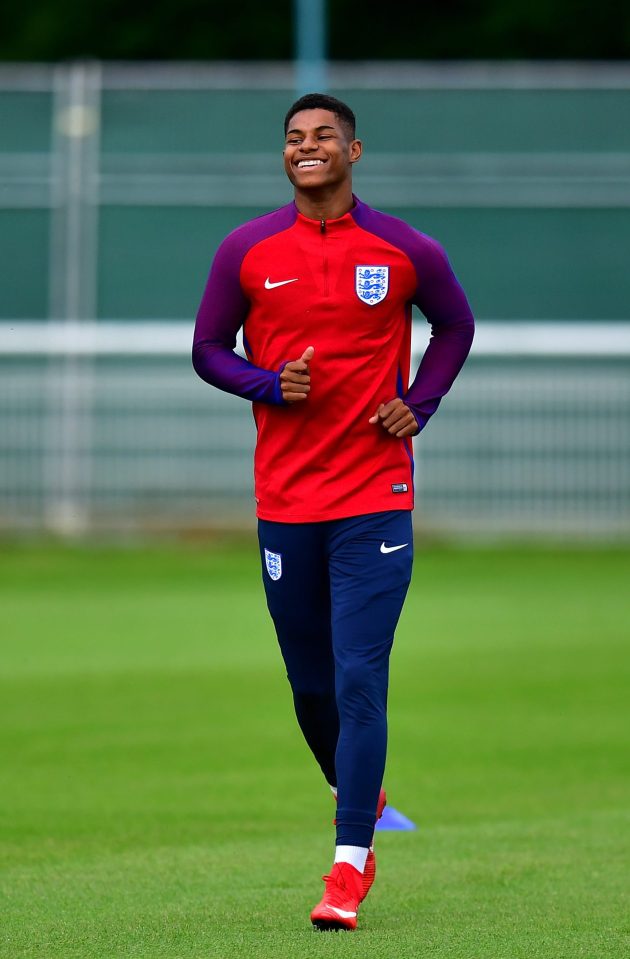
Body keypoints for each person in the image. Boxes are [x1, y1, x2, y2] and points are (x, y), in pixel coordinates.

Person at [192, 93, 474, 931]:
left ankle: (349, 863)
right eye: (293, 139)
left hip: (375, 499)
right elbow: (208, 348)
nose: (306, 148)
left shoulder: (404, 248)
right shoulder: (246, 250)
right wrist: (267, 384)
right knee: (311, 686)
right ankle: (364, 789)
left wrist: (418, 404)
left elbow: (455, 327)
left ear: (355, 150)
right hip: (285, 501)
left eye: (322, 137)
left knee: (359, 676)